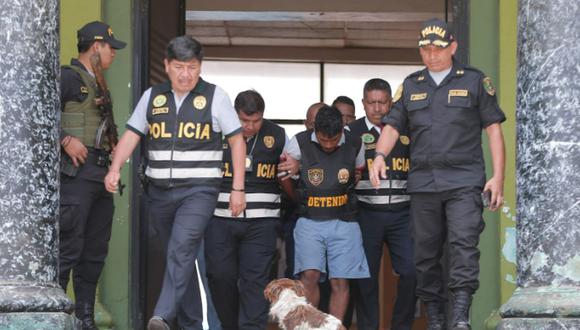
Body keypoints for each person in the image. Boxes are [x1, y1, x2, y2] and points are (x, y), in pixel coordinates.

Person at [370, 18, 506, 330]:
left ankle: (459, 316)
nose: (431, 55)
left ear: (453, 48)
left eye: (438, 49)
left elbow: (493, 130)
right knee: (425, 253)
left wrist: (498, 176)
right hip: (424, 184)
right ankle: (435, 318)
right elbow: (392, 126)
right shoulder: (412, 84)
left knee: (462, 245)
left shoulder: (473, 81)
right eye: (426, 49)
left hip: (464, 181)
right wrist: (379, 155)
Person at [104, 35, 246, 330]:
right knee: (180, 258)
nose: (185, 74)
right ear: (167, 66)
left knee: (181, 249)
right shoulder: (153, 97)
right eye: (179, 67)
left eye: (192, 67)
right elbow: (132, 134)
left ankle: (162, 315)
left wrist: (238, 189)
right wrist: (115, 168)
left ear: (200, 67)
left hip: (199, 191)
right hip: (159, 194)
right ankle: (193, 323)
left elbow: (236, 142)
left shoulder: (215, 96)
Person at [58, 21, 126, 330]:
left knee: (95, 250)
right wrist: (64, 138)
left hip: (100, 174)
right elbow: (31, 113)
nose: (114, 53)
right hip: (76, 175)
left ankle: (84, 318)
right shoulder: (68, 78)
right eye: (111, 47)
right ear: (95, 46)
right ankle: (54, 314)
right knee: (69, 246)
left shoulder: (99, 84)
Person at [205, 90, 288, 330]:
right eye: (244, 120)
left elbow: (295, 162)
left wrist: (295, 163)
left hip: (262, 224)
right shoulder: (216, 132)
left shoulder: (278, 135)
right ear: (234, 114)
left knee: (255, 282)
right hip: (220, 220)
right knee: (220, 277)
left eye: (256, 120)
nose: (250, 126)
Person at [284, 105, 370, 322]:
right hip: (310, 220)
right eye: (324, 140)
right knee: (309, 276)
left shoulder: (355, 142)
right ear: (315, 131)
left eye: (334, 139)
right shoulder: (299, 142)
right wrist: (297, 198)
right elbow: (283, 174)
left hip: (344, 221)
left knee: (340, 281)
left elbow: (357, 172)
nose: (329, 145)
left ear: (342, 129)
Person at [348, 78, 416, 330]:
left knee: (411, 272)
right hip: (366, 214)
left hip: (403, 213)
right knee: (365, 279)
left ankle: (401, 326)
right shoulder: (351, 132)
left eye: (382, 102)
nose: (377, 108)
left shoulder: (406, 130)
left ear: (391, 103)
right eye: (371, 103)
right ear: (363, 103)